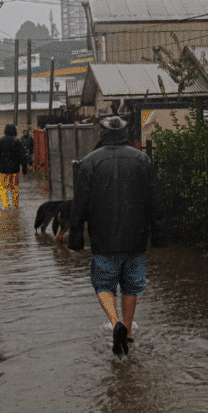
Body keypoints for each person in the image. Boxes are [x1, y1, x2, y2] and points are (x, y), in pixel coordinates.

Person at [69, 116, 166, 357]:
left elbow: (79, 204)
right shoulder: (143, 160)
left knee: (103, 284)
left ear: (101, 134)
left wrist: (76, 238)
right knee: (131, 285)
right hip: (136, 237)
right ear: (126, 133)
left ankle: (115, 324)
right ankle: (129, 333)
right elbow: (155, 201)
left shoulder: (89, 163)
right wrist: (160, 235)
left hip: (103, 239)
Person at [0, 124, 28, 209]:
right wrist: (24, 170)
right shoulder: (18, 141)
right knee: (15, 187)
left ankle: (5, 205)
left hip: (3, 169)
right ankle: (15, 205)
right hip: (15, 169)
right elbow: (23, 156)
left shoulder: (0, 141)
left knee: (3, 188)